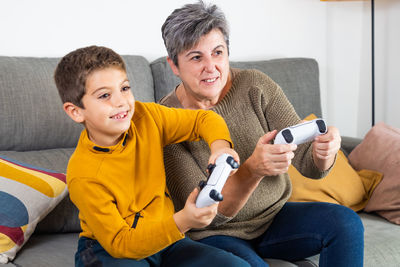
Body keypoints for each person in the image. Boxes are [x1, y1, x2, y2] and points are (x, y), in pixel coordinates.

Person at [159, 1, 364, 267]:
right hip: (213, 235)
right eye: (196, 57)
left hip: (274, 218)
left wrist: (324, 152)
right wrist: (253, 169)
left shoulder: (255, 86)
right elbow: (208, 214)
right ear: (174, 65)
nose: (211, 67)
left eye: (218, 52)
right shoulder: (166, 120)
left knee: (346, 223)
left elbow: (310, 165)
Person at [53, 45, 250, 267]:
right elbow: (121, 244)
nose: (121, 102)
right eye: (105, 95)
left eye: (125, 88)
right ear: (75, 111)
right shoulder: (83, 174)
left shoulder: (145, 116)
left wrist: (220, 147)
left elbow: (203, 120)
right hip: (111, 251)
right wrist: (183, 220)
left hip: (165, 238)